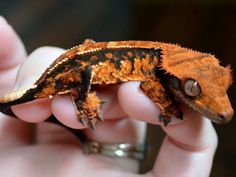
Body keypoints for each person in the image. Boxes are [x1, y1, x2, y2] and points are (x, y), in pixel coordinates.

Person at [0, 16, 217, 177]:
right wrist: (84, 99)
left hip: (80, 68)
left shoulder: (162, 62)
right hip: (76, 70)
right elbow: (149, 85)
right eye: (192, 89)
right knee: (76, 86)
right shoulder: (157, 66)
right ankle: (82, 100)